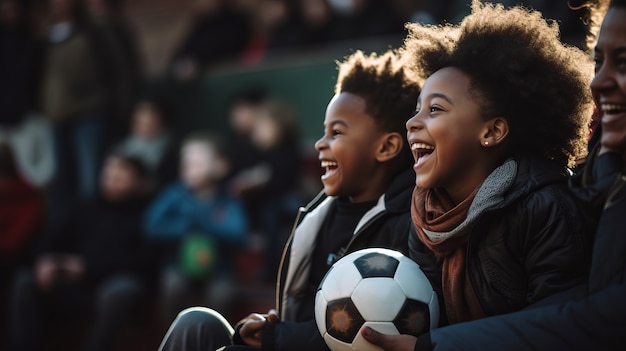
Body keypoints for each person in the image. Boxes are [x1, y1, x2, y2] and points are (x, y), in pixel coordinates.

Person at [361, 0, 626, 350]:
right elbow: (419, 317)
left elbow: (562, 324)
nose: (413, 122)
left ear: (492, 131)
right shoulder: (426, 217)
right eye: (416, 109)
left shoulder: (546, 206)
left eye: (436, 109)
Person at [157, 49, 420, 351]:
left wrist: (278, 337)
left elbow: (365, 334)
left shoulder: (406, 223)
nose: (321, 144)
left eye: (337, 133)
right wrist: (273, 325)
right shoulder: (318, 214)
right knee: (196, 322)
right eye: (323, 132)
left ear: (386, 147)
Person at [9, 151, 153, 351]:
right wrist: (46, 261)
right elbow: (47, 241)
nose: (112, 176)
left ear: (139, 181)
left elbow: (142, 263)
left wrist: (87, 268)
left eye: (121, 172)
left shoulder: (147, 215)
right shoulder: (84, 206)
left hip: (106, 287)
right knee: (25, 280)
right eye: (109, 170)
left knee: (122, 289)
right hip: (67, 282)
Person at [143, 132, 249, 328]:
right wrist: (184, 227)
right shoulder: (174, 194)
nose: (189, 169)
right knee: (173, 286)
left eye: (197, 163)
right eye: (185, 164)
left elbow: (238, 234)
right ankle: (171, 341)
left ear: (220, 167)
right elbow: (152, 226)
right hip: (178, 265)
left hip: (219, 269)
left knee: (223, 294)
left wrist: (202, 223)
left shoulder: (227, 200)